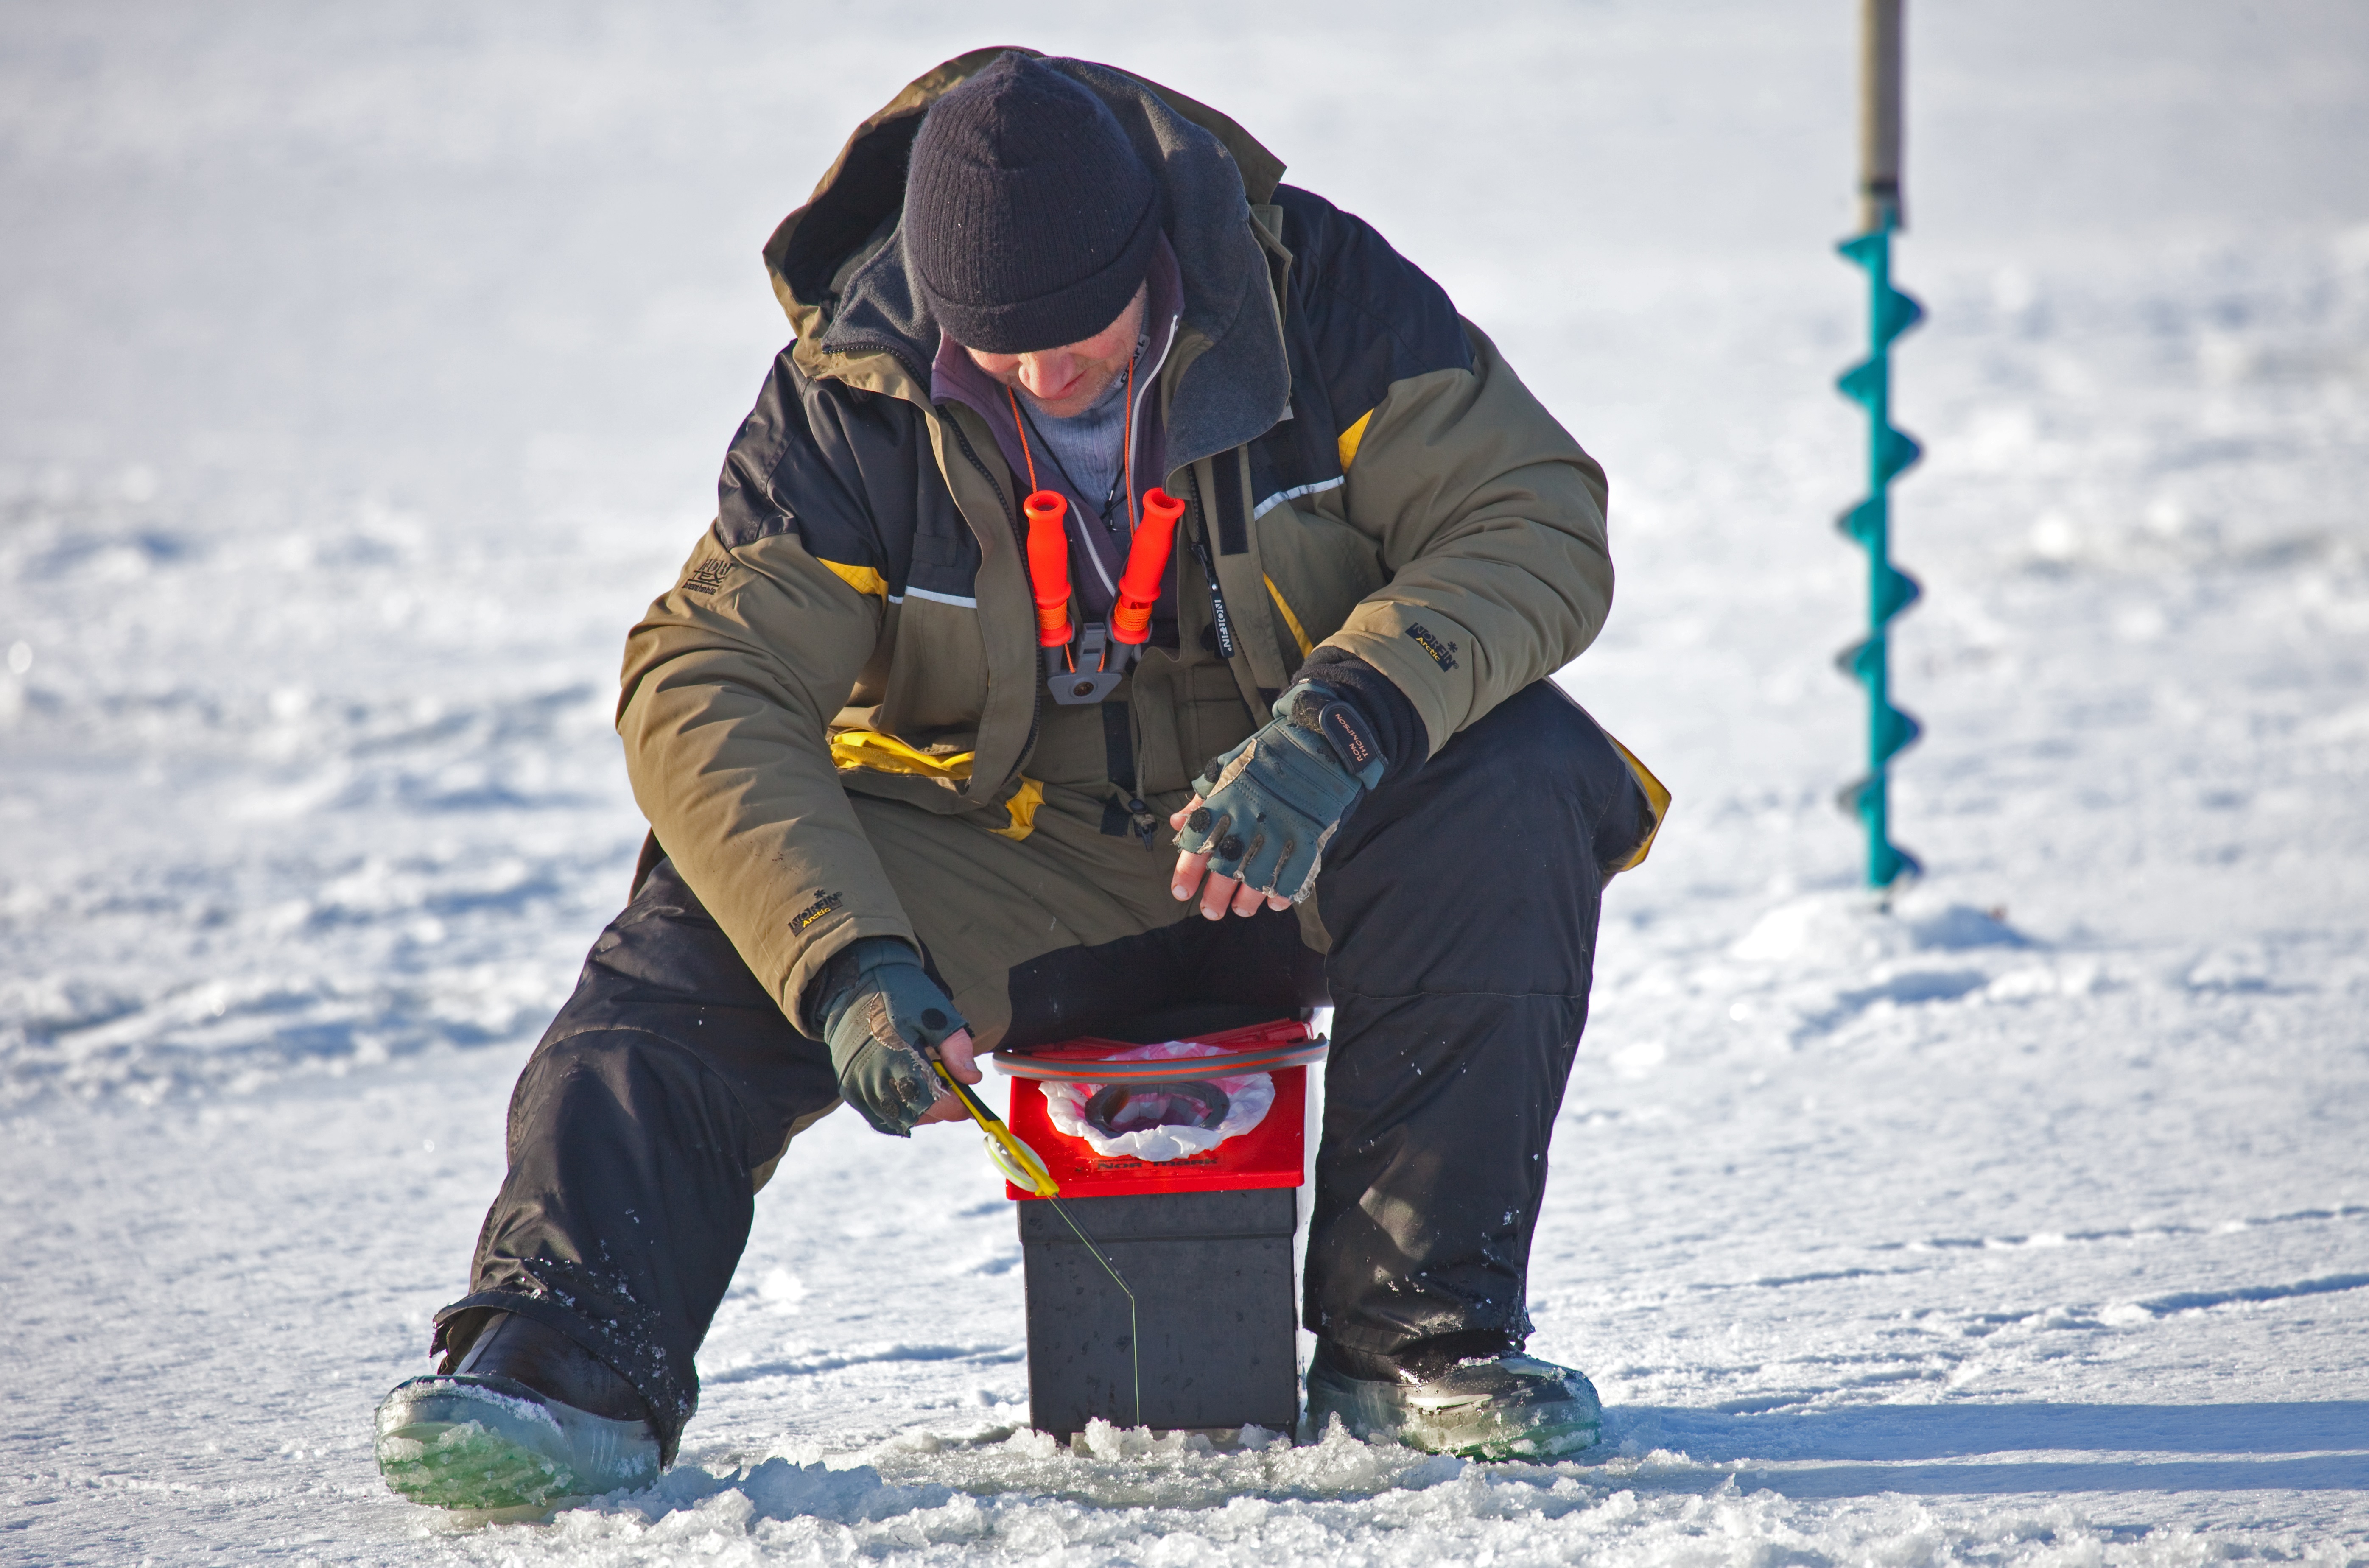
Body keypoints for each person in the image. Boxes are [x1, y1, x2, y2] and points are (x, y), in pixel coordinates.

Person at [372, 48, 1664, 1509]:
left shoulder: (1323, 298)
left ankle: (1418, 1341)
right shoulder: (843, 396)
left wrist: (1340, 729)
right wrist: (846, 958)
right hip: (996, 865)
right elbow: (703, 679)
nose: (1051, 378)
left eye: (1085, 336)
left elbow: (1531, 519)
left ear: (1158, 259)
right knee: (703, 923)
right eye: (1004, 348)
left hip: (1295, 832)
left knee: (1524, 769)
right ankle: (560, 1362)